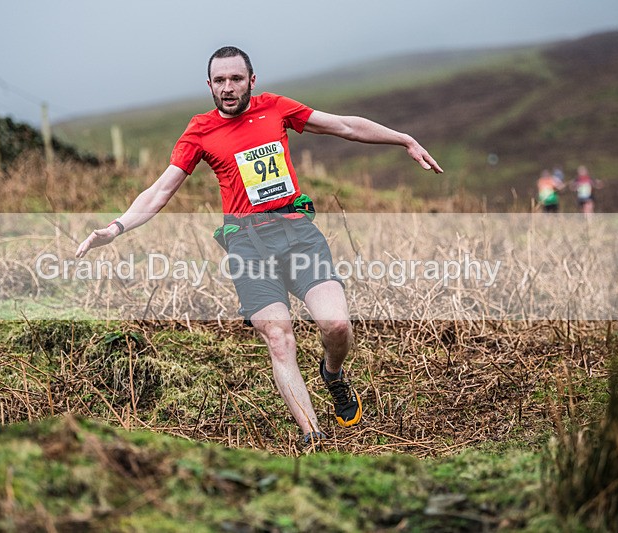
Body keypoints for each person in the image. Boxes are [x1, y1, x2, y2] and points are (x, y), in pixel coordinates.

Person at [75, 46, 443, 449]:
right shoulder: (200, 131)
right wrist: (117, 227)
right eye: (219, 80)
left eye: (236, 79)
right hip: (247, 246)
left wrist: (403, 139)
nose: (228, 88)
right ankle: (313, 437)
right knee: (279, 337)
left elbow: (344, 126)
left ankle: (333, 375)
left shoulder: (275, 108)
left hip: (297, 234)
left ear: (251, 80)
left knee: (337, 326)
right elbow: (160, 191)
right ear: (209, 85)